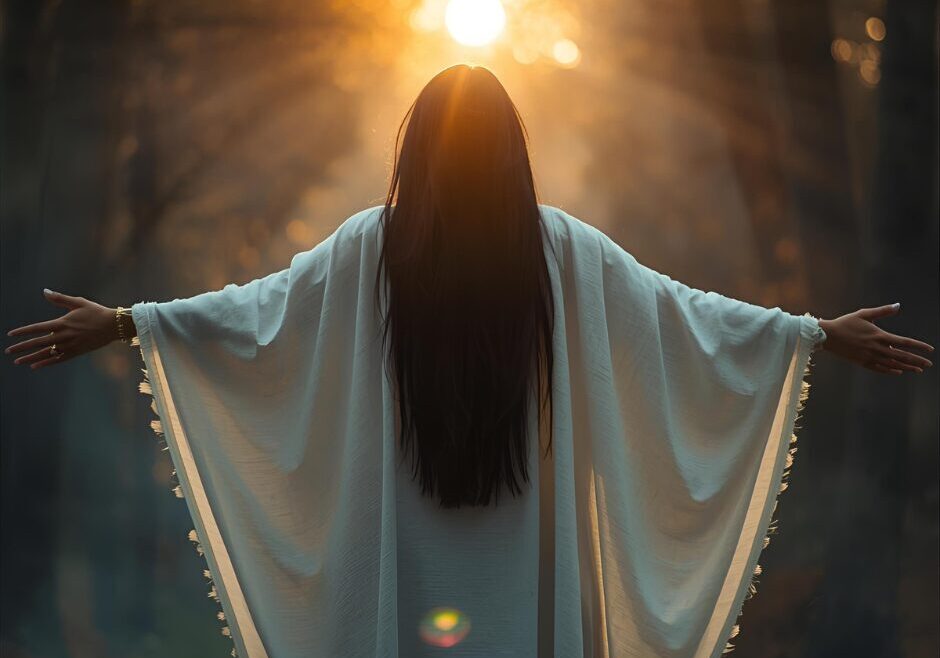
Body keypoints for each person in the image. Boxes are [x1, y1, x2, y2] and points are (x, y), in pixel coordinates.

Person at [4, 64, 934, 658]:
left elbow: (251, 322)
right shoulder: (561, 252)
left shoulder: (373, 249)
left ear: (415, 154)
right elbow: (690, 323)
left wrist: (130, 323)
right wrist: (812, 333)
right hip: (527, 582)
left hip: (401, 575)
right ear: (513, 159)